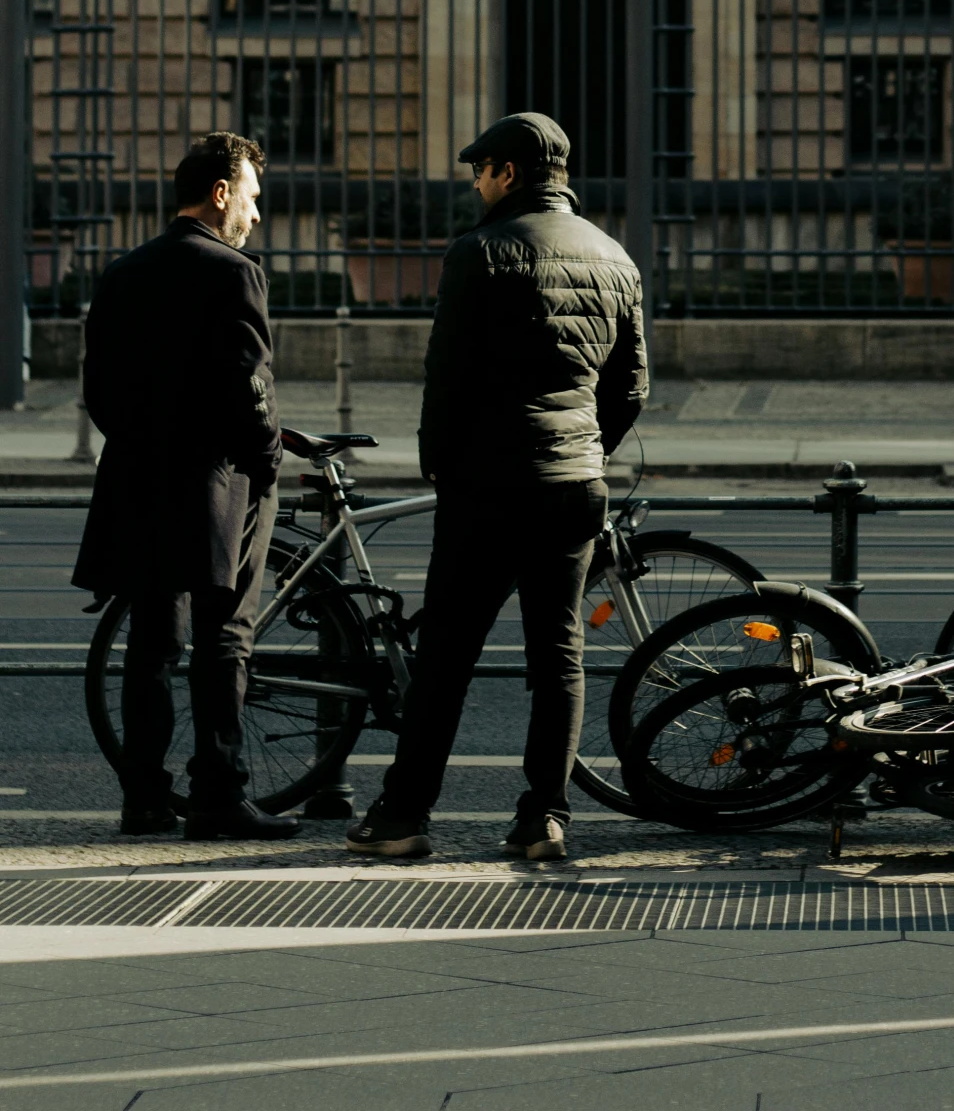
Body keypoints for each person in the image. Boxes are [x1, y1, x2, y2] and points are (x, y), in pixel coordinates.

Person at [347, 111, 648, 864]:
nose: (476, 184)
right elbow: (632, 389)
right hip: (574, 482)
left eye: (480, 171)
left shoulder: (479, 253)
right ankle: (543, 818)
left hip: (489, 481)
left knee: (446, 656)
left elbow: (444, 378)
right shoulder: (615, 257)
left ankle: (403, 816)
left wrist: (443, 464)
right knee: (559, 655)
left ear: (507, 174)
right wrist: (583, 447)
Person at [72, 131, 299, 842]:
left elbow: (98, 390)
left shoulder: (124, 270)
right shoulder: (232, 272)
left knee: (151, 644)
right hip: (215, 484)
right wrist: (265, 457)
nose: (256, 216)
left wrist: (143, 440)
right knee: (224, 637)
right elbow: (250, 385)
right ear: (222, 192)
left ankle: (143, 796)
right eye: (252, 199)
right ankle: (219, 795)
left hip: (138, 475)